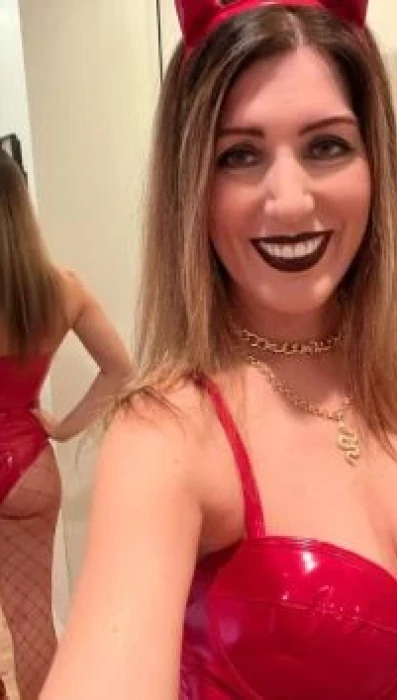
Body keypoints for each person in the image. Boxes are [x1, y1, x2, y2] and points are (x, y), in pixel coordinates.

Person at [40, 0, 397, 698]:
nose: (290, 201)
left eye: (327, 146)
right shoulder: (170, 434)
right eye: (240, 156)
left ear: (374, 162)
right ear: (193, 189)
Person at [0, 149, 132, 700]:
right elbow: (119, 368)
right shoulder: (62, 290)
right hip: (28, 466)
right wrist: (62, 428)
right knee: (31, 619)